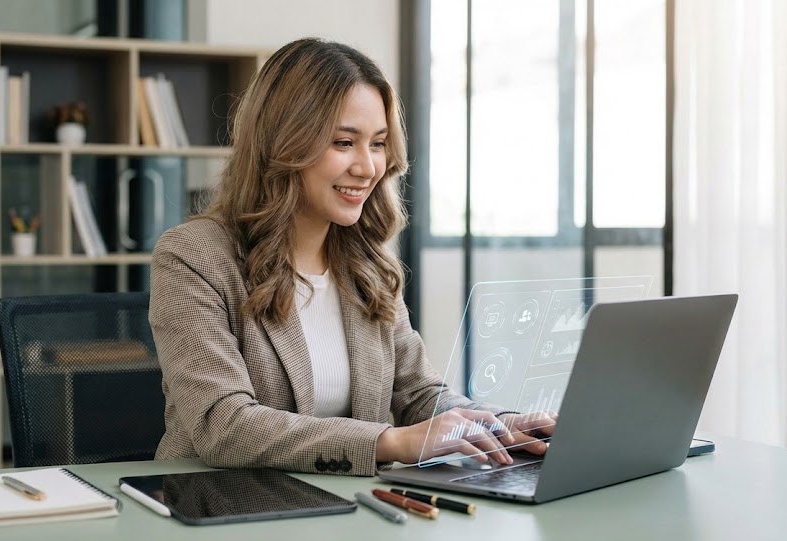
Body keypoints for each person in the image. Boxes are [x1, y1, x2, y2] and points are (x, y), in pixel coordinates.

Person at [149, 37, 554, 476]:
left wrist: (498, 425)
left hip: (349, 507)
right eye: (344, 142)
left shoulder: (366, 264)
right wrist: (391, 441)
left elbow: (419, 394)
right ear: (283, 144)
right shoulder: (194, 257)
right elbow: (223, 425)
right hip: (222, 505)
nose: (367, 167)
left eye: (377, 144)